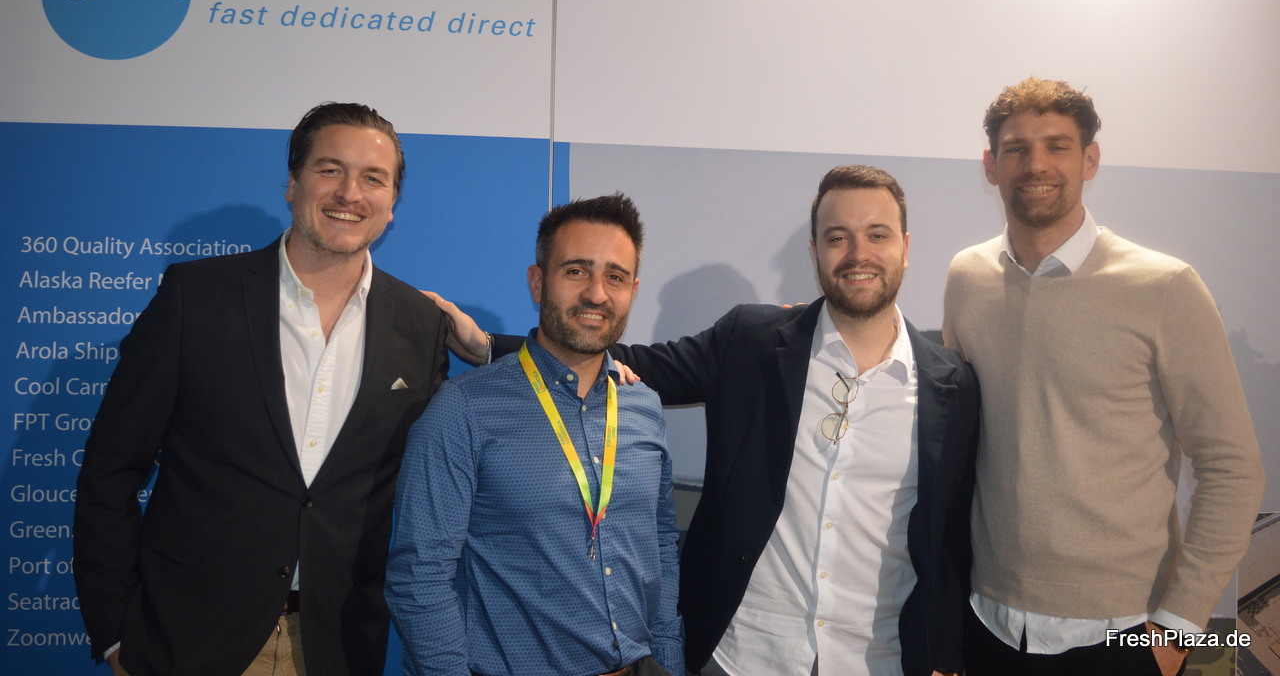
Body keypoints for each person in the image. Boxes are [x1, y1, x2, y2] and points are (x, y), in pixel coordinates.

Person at [435, 166, 980, 676]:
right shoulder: (752, 341)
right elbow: (621, 359)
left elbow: (950, 538)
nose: (858, 253)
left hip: (878, 661)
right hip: (737, 655)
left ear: (906, 248)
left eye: (877, 235)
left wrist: (946, 655)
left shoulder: (951, 385)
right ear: (816, 252)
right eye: (838, 237)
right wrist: (489, 347)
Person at [73, 102, 450, 676]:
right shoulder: (195, 297)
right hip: (183, 640)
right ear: (293, 184)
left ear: (392, 202)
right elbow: (110, 470)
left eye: (373, 178)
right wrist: (116, 633)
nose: (350, 193)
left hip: (337, 644)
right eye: (330, 169)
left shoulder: (420, 326)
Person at [943, 78, 1265, 676]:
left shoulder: (1165, 286)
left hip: (1126, 633)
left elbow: (1233, 467)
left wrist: (1177, 632)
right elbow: (957, 438)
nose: (1035, 164)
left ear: (1090, 159)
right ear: (991, 166)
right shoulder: (967, 277)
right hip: (987, 620)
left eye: (1057, 146)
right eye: (1016, 148)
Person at [386, 193, 683, 676]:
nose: (596, 294)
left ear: (632, 290)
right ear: (538, 282)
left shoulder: (644, 407)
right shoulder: (464, 409)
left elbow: (662, 543)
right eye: (576, 271)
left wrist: (669, 660)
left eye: (615, 277)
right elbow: (419, 577)